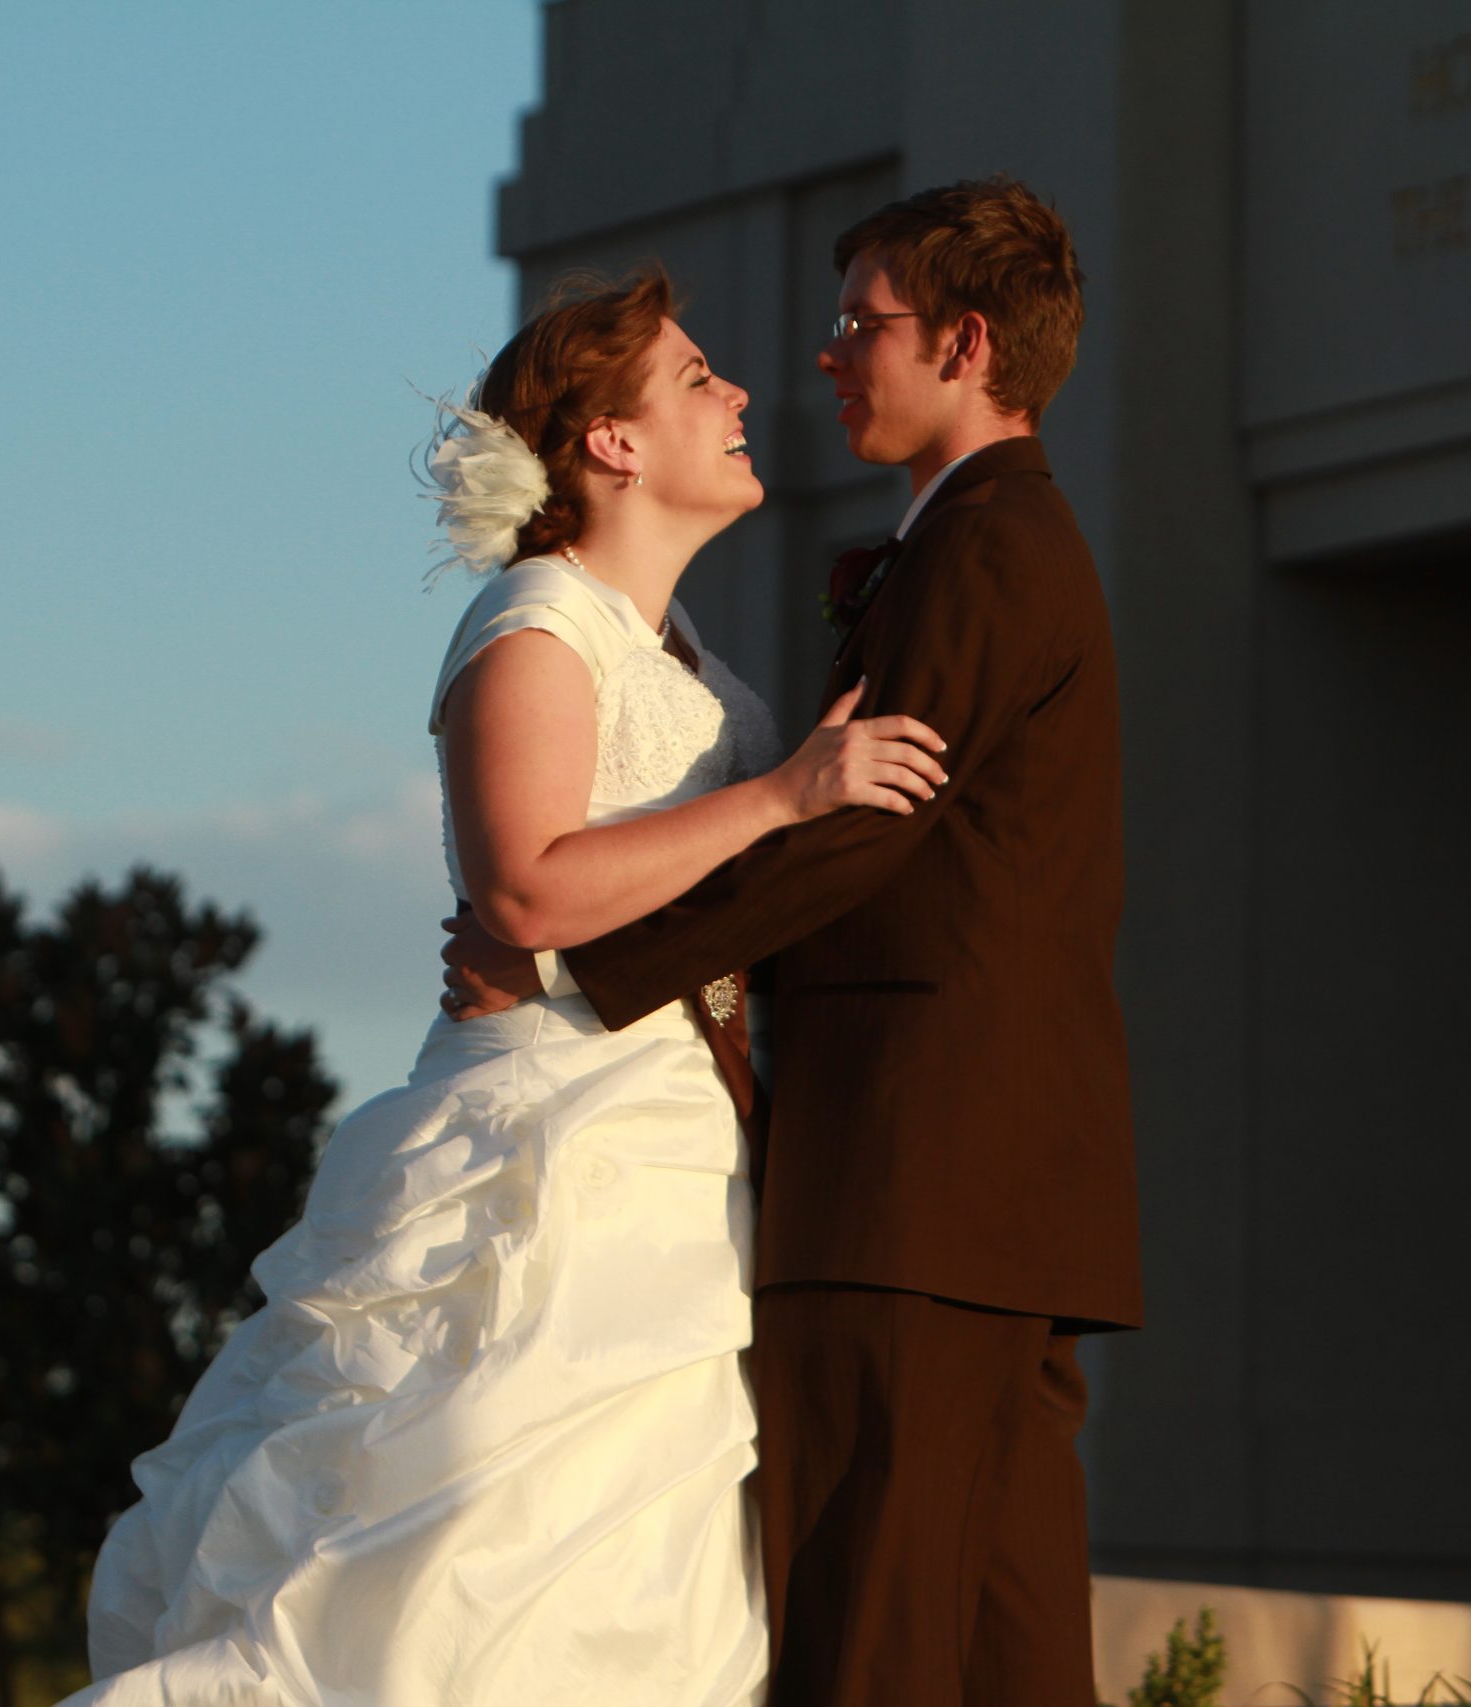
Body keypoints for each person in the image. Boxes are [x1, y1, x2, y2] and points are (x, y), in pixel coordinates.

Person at [62, 267, 947, 1706]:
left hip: (681, 1150)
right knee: (470, 1527)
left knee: (641, 1582)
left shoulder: (700, 670)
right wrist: (786, 797)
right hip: (548, 1144)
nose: (738, 397)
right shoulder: (537, 620)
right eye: (698, 379)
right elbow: (526, 888)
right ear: (612, 441)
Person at [442, 178, 1143, 1707]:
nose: (821, 358)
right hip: (986, 1186)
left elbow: (866, 827)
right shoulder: (987, 537)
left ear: (963, 343)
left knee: (870, 1640)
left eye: (858, 326)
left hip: (912, 1176)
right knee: (1004, 1652)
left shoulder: (984, 546)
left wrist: (585, 967)